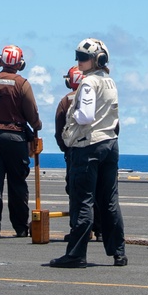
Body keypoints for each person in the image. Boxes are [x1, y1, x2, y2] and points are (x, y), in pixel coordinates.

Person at [49, 38, 127, 268]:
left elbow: (85, 116)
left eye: (83, 57)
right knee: (110, 201)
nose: (79, 61)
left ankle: (76, 254)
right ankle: (118, 252)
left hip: (87, 146)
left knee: (83, 201)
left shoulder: (88, 84)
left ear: (97, 59)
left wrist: (72, 119)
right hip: (110, 144)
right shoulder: (111, 82)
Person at [0, 45, 42, 239]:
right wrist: (37, 125)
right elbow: (32, 114)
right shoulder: (22, 84)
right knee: (17, 183)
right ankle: (21, 228)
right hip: (15, 138)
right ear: (20, 64)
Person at [54, 66, 103, 241]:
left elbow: (59, 130)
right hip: (98, 147)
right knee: (99, 190)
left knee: (76, 192)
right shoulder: (98, 95)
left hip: (75, 151)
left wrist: (66, 149)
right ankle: (101, 230)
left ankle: (79, 229)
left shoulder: (65, 101)